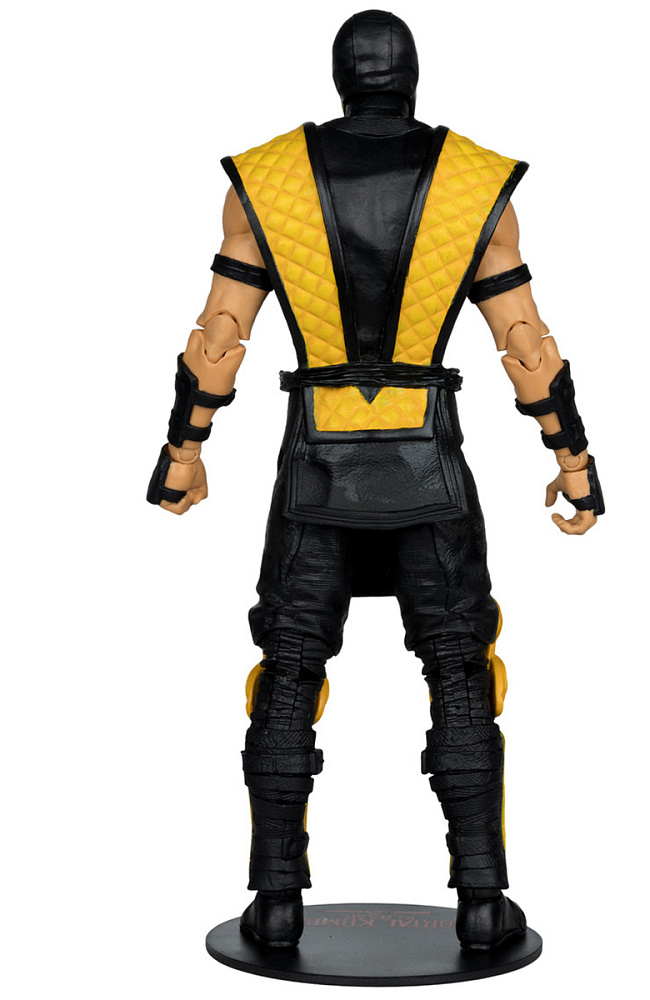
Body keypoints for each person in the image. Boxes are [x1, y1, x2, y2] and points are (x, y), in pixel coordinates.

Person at [148, 9, 604, 952]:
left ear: (340, 78)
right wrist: (572, 457)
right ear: (412, 78)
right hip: (428, 465)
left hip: (315, 468)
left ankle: (276, 902)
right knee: (461, 676)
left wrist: (184, 448)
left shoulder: (268, 181)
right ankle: (483, 901)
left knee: (287, 675)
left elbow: (219, 337)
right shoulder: (473, 183)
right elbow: (526, 343)